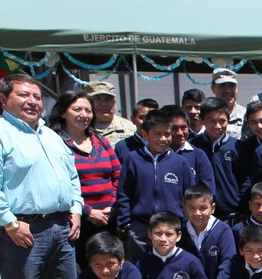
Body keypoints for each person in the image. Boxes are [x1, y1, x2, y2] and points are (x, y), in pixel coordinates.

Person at [47, 90, 121, 268]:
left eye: (88, 111)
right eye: (77, 109)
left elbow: (118, 175)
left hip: (107, 218)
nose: (84, 115)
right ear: (64, 112)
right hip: (75, 221)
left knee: (107, 269)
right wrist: (88, 212)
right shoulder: (54, 143)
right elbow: (59, 185)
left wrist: (111, 205)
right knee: (79, 272)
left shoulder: (100, 141)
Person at [115, 108, 196, 262]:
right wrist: (126, 223)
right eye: (157, 134)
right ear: (145, 135)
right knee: (141, 271)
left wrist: (185, 221)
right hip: (140, 229)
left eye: (167, 134)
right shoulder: (132, 159)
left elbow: (189, 195)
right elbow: (124, 192)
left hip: (172, 227)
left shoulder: (179, 162)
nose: (163, 138)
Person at [193, 97, 245, 220]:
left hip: (232, 213)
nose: (217, 126)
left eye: (222, 121)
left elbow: (244, 179)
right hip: (200, 212)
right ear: (202, 121)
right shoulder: (193, 147)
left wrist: (240, 202)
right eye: (211, 121)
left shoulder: (238, 147)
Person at [179, 184, 236, 279]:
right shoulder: (180, 232)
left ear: (212, 208)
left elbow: (228, 263)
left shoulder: (223, 230)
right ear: (184, 209)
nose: (197, 213)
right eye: (191, 208)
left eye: (203, 208)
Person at [165, 105, 215, 190]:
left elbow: (208, 189)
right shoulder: (157, 155)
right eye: (174, 128)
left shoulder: (198, 155)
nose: (180, 133)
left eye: (183, 127)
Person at [86, 81, 136, 146]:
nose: (103, 104)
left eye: (108, 99)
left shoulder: (130, 128)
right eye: (97, 99)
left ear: (115, 102)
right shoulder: (81, 128)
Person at [210, 68, 246, 138]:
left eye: (231, 86)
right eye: (222, 86)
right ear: (213, 89)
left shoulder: (246, 115)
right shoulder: (206, 115)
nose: (228, 91)